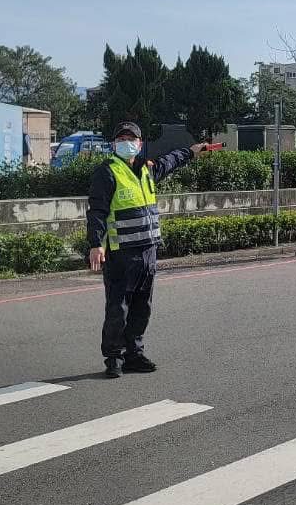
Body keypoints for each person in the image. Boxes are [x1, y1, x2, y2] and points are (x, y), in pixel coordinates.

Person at [87, 122, 217, 377]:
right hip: (121, 252)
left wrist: (192, 151)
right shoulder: (107, 172)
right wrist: (95, 244)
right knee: (118, 308)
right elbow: (97, 211)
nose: (127, 142)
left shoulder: (147, 170)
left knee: (142, 307)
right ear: (114, 144)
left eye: (132, 138)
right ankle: (113, 359)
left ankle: (134, 354)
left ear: (140, 143)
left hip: (147, 250)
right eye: (122, 138)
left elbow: (171, 160)